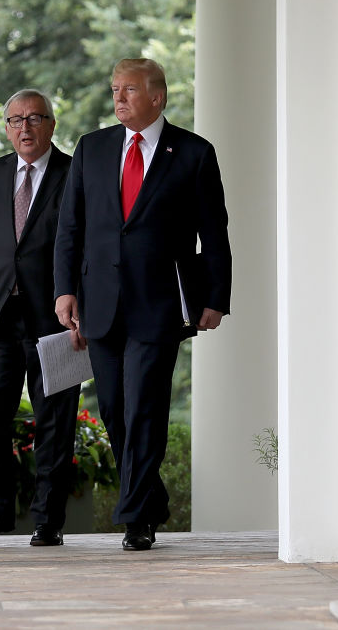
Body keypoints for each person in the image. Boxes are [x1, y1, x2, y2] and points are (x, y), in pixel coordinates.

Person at [53, 58, 231, 551]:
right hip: (101, 303)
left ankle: (135, 518)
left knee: (145, 407)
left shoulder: (194, 153)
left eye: (129, 90)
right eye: (115, 90)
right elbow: (70, 228)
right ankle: (150, 500)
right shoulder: (92, 149)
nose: (119, 98)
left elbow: (214, 232)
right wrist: (64, 291)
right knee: (114, 409)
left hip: (160, 303)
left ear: (157, 97)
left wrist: (215, 297)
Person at [0, 89, 81, 547]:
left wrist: (81, 301)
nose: (24, 128)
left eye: (34, 118)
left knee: (55, 420)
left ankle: (48, 521)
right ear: (6, 127)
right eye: (15, 120)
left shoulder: (74, 172)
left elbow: (85, 245)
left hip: (57, 318)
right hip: (0, 316)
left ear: (51, 124)